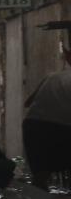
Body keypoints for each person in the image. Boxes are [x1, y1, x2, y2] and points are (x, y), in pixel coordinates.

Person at [24, 30, 71, 190]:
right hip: (61, 128)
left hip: (33, 126)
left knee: (41, 175)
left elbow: (28, 102)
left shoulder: (52, 76)